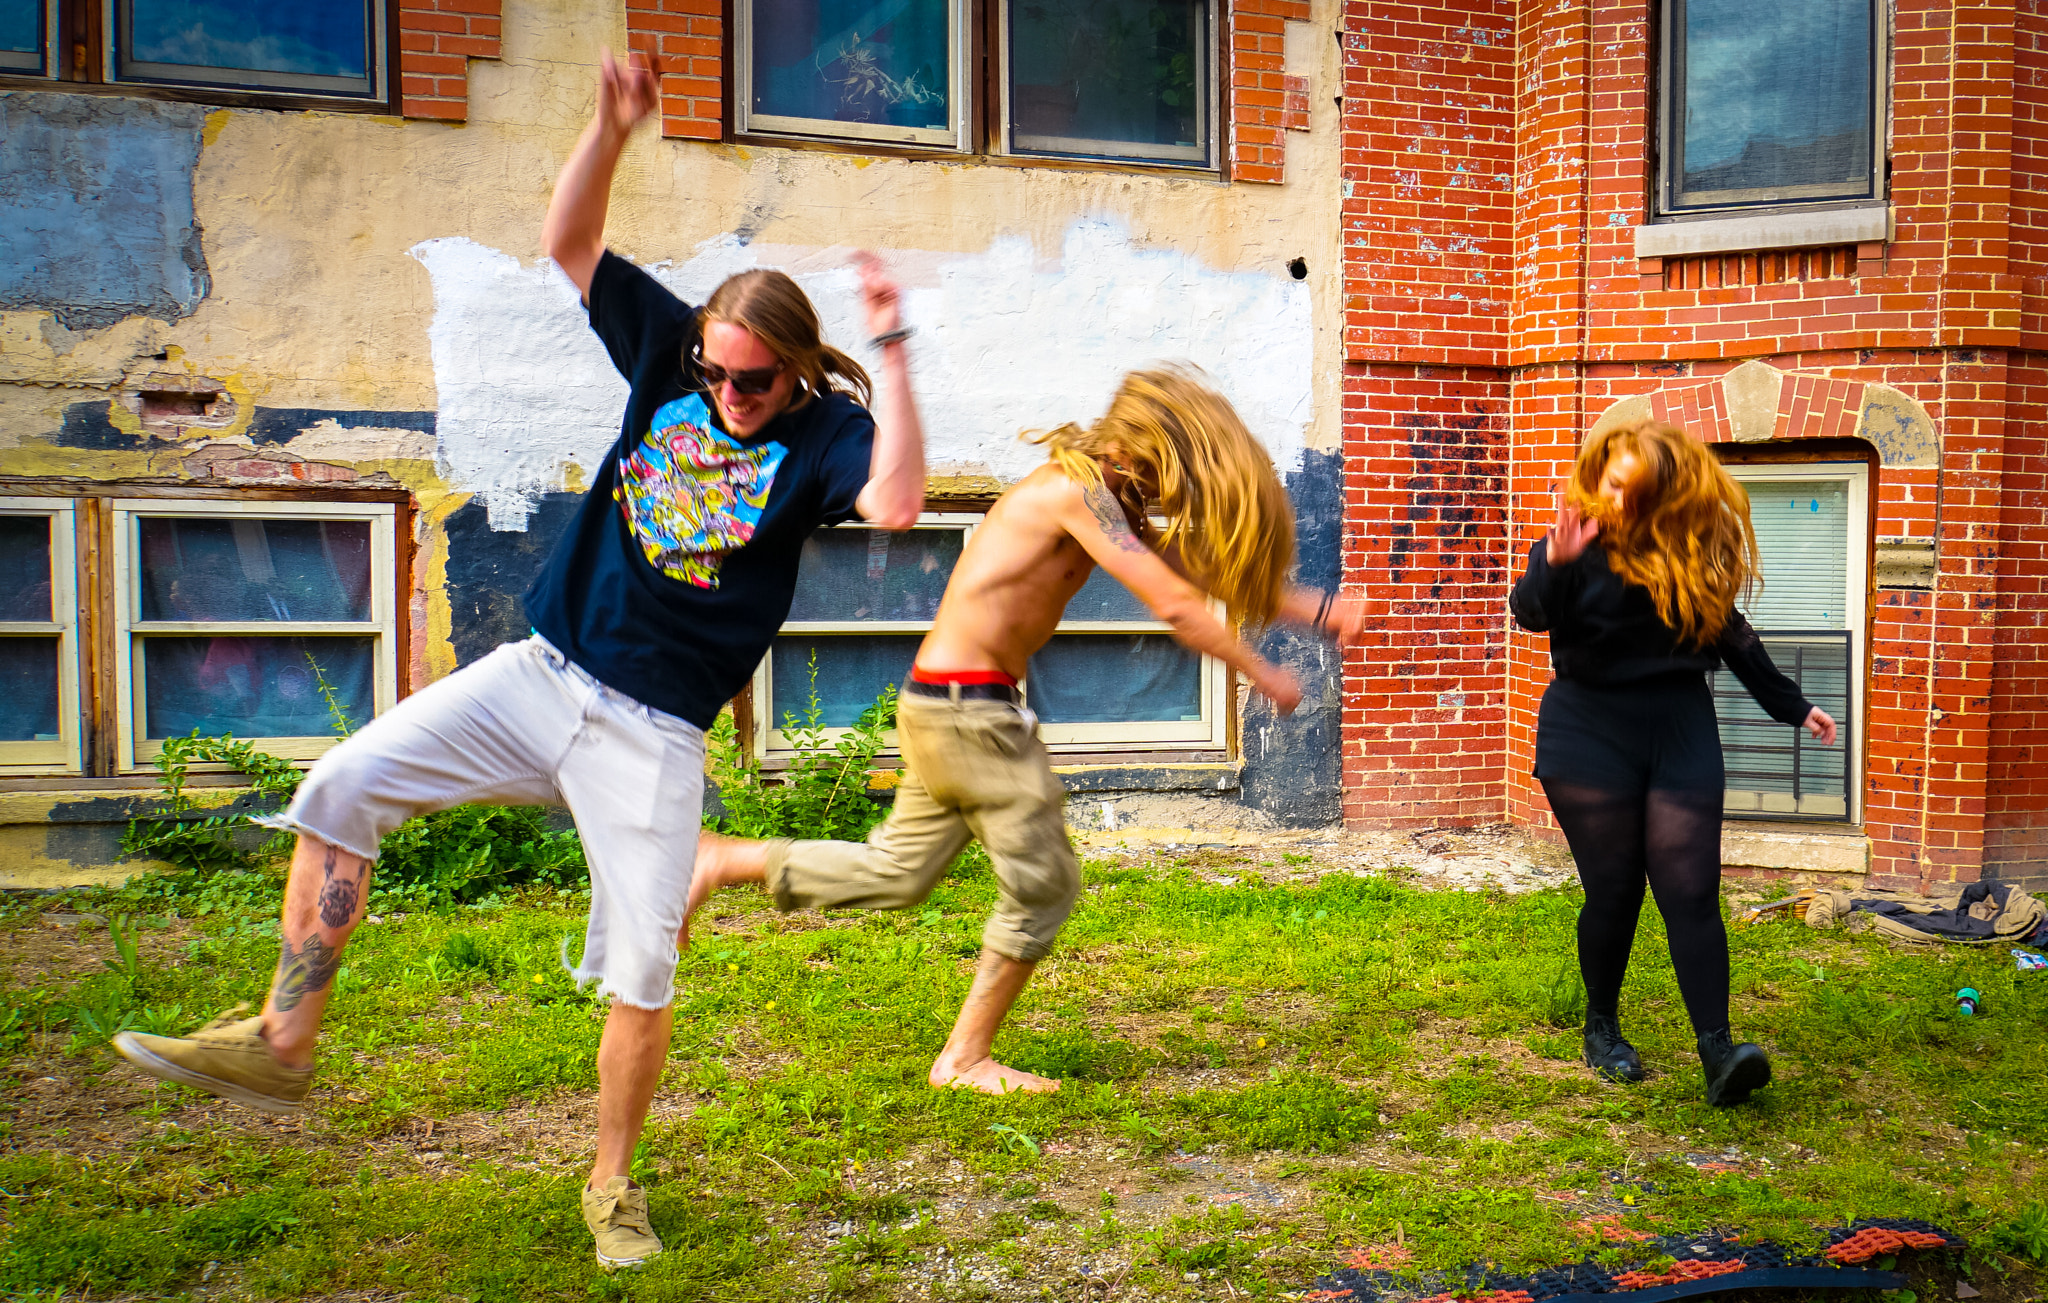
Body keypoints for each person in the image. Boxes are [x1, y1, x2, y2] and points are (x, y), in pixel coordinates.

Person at [109, 49, 929, 1273]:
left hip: (651, 731)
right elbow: (570, 241)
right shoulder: (668, 357)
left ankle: (611, 1184)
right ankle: (282, 1037)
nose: (725, 392)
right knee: (338, 788)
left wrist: (900, 351)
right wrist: (607, 131)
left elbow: (904, 504)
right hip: (544, 672)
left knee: (644, 966)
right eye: (711, 371)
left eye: (750, 379)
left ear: (796, 369)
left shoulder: (827, 434)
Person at [687, 366, 1365, 1095]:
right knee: (1045, 883)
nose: (1178, 494)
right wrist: (1261, 673)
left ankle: (724, 859)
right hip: (970, 714)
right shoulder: (1073, 494)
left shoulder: (1100, 503)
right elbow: (1173, 602)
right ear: (1148, 453)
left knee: (899, 873)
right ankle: (965, 1057)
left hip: (942, 705)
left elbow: (1204, 574)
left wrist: (1320, 610)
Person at [1510, 419, 1837, 1107]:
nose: (1620, 498)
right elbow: (1530, 613)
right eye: (1614, 482)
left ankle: (1719, 1050)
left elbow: (1735, 637)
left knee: (1689, 890)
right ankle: (1602, 1027)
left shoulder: (1688, 553)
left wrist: (1794, 705)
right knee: (1617, 889)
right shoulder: (1574, 544)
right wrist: (1558, 560)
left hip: (1680, 726)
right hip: (1588, 728)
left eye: (1638, 489)